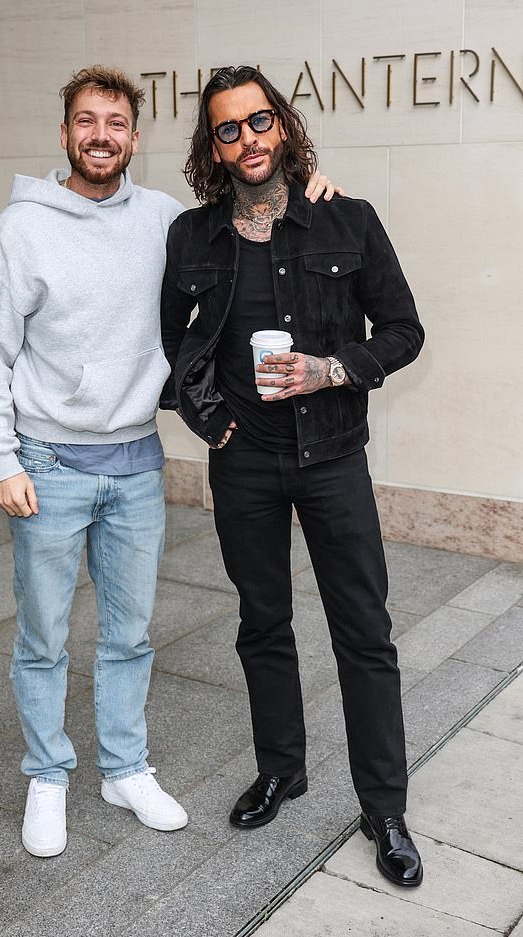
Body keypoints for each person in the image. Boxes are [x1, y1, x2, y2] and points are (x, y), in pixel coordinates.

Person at [0, 65, 338, 859]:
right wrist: (0, 458)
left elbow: (255, 212)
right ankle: (49, 775)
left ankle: (124, 767)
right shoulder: (20, 229)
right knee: (43, 637)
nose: (102, 135)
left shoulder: (165, 220)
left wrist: (309, 189)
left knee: (130, 635)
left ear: (136, 136)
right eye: (87, 121)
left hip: (134, 461)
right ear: (65, 133)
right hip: (47, 459)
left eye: (117, 123)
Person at [160, 66, 425, 889]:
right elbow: (175, 343)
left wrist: (332, 370)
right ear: (212, 145)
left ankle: (384, 806)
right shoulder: (192, 237)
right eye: (228, 129)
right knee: (262, 621)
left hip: (334, 456)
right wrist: (211, 419)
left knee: (364, 632)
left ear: (284, 125)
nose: (248, 140)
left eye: (259, 121)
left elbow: (405, 330)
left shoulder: (347, 220)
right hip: (243, 463)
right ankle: (283, 769)